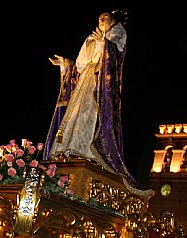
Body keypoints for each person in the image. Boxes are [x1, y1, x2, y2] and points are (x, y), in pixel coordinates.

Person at [44, 10, 136, 184]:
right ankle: (67, 150)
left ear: (113, 21)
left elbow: (114, 60)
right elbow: (81, 65)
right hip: (85, 80)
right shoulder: (92, 38)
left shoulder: (117, 35)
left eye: (105, 18)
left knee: (89, 114)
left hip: (100, 85)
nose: (101, 20)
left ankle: (85, 151)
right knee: (76, 113)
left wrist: (104, 43)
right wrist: (66, 64)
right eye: (100, 18)